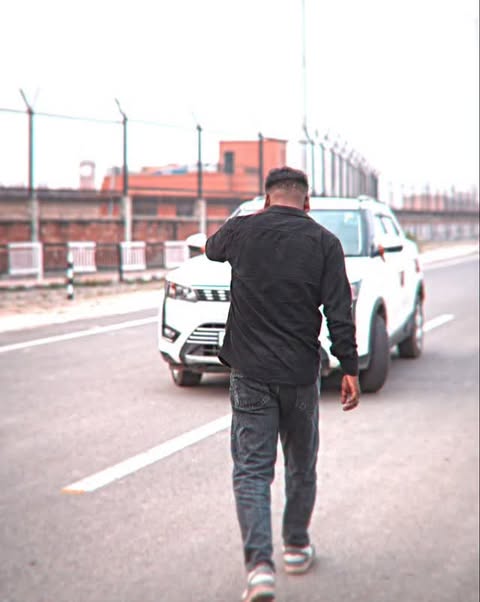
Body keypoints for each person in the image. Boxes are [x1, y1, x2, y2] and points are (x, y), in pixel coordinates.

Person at [205, 166, 360, 602]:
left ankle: (259, 569)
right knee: (301, 463)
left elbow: (212, 249)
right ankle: (295, 546)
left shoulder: (242, 230)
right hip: (300, 376)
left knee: (252, 470)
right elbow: (339, 309)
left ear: (266, 198)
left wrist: (254, 219)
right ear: (307, 203)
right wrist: (349, 367)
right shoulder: (325, 243)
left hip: (250, 374)